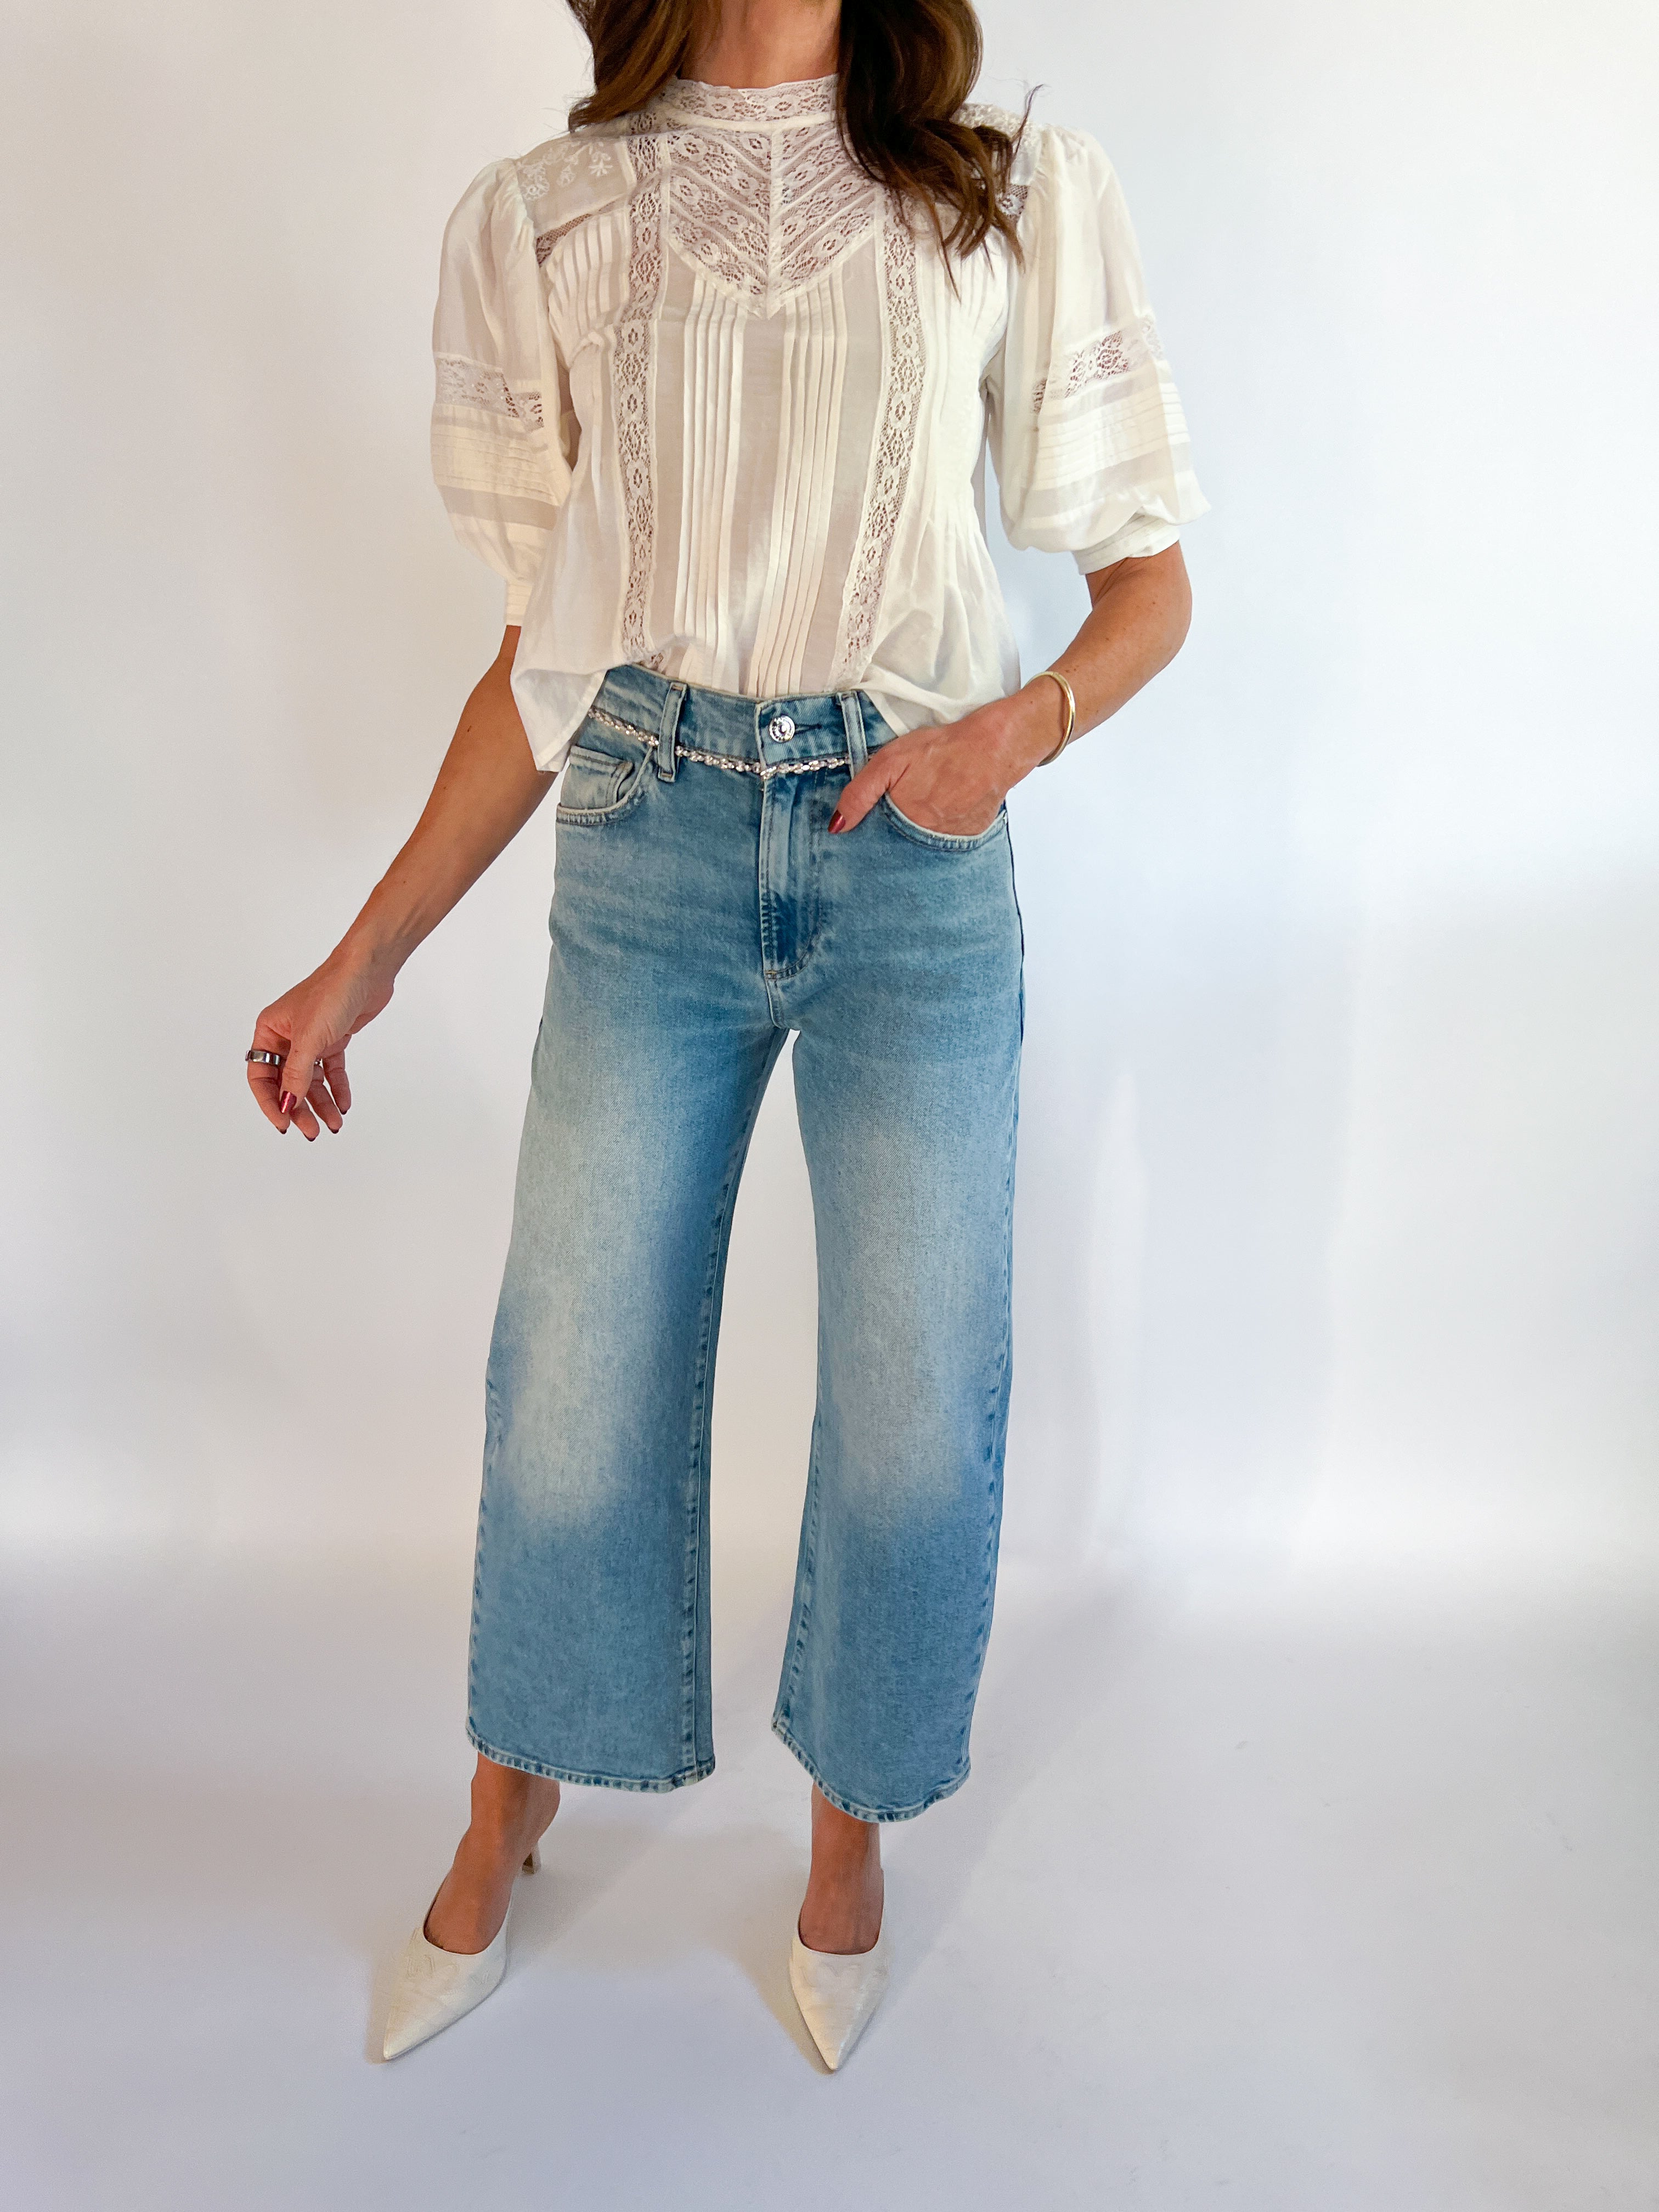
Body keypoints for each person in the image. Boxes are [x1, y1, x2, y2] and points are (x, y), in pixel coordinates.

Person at [246, 0, 1204, 2071]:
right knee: (572, 1379)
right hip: (646, 844)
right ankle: (508, 1804)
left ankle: (846, 1842)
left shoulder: (1002, 196)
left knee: (916, 1397)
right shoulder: (553, 213)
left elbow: (1152, 588)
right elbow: (543, 657)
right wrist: (366, 957)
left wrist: (1009, 736)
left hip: (913, 860)